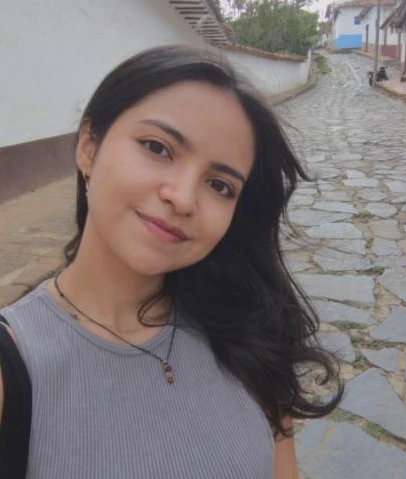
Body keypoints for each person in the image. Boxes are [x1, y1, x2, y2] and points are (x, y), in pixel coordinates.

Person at [0, 45, 342, 478]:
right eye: (157, 148)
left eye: (219, 185)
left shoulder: (248, 337)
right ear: (88, 146)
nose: (182, 198)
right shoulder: (15, 368)